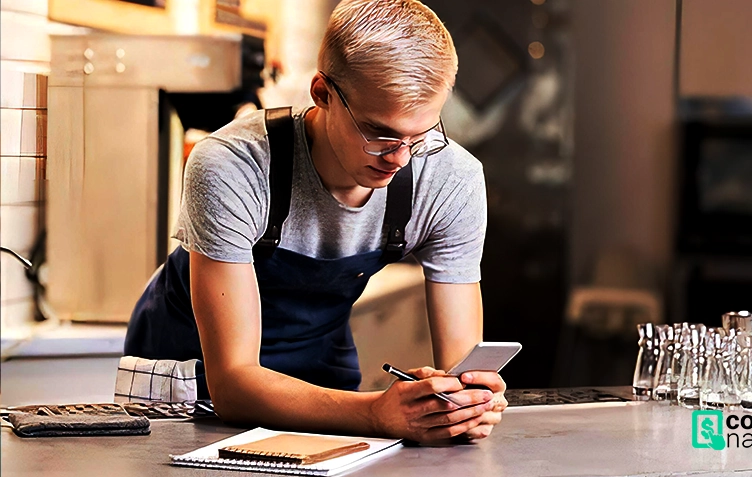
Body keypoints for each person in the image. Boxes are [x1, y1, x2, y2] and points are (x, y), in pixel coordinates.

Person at [124, 0, 507, 443]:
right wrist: (376, 413)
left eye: (420, 136)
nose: (400, 159)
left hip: (321, 371)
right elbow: (232, 384)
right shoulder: (232, 164)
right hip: (191, 385)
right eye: (378, 134)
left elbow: (463, 363)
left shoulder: (451, 179)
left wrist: (463, 404)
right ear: (322, 93)